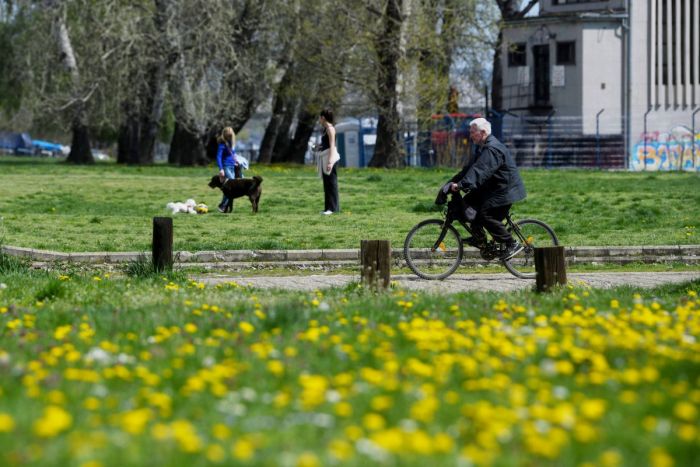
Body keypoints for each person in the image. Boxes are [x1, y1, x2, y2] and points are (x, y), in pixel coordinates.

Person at [447, 117, 526, 260]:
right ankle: (480, 238)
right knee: (469, 203)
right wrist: (452, 182)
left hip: (505, 190)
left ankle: (511, 243)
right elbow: (469, 169)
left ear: (482, 132)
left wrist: (461, 185)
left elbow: (480, 170)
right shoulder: (483, 147)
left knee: (485, 215)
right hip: (494, 187)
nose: (470, 135)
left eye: (472, 132)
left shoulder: (491, 149)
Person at [317, 108, 340, 215]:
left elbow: (332, 146)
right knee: (326, 183)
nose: (319, 120)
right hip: (325, 157)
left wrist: (330, 162)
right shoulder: (325, 129)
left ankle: (333, 208)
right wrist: (319, 146)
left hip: (330, 158)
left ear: (323, 118)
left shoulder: (330, 129)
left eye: (320, 118)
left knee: (331, 183)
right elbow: (326, 144)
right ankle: (327, 208)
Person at [216, 127, 243, 213]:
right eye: (228, 135)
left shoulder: (231, 143)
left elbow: (233, 154)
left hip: (233, 166)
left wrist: (236, 161)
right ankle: (223, 206)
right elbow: (218, 157)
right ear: (225, 135)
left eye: (231, 136)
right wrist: (221, 169)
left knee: (232, 187)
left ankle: (223, 206)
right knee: (232, 187)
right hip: (226, 166)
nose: (230, 137)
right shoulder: (222, 144)